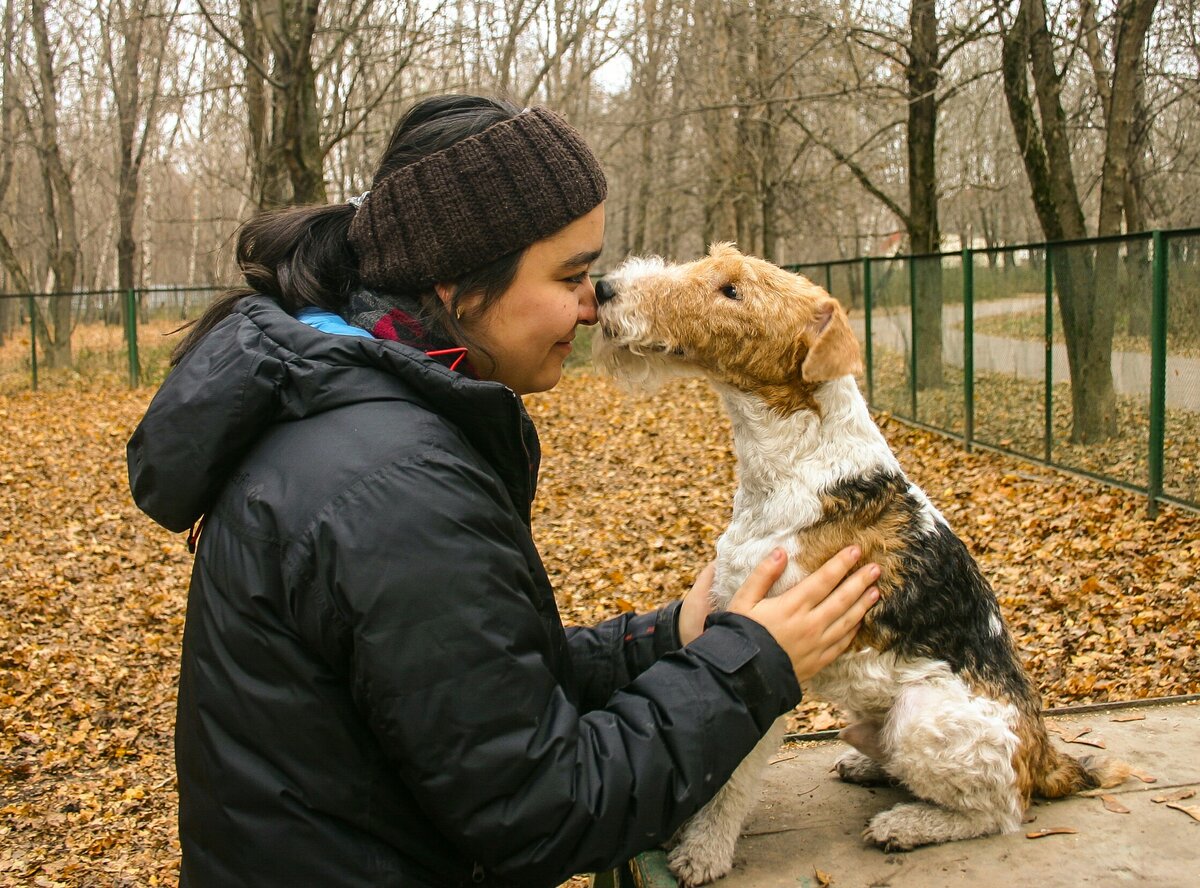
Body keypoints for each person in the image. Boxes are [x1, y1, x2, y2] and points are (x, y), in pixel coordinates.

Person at [127, 95, 879, 888]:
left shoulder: (357, 414)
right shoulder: (393, 488)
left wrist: (671, 638)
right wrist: (754, 664)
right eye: (572, 276)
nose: (594, 306)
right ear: (455, 282)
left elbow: (480, 701)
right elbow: (542, 812)